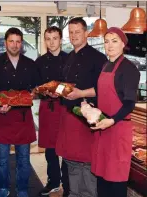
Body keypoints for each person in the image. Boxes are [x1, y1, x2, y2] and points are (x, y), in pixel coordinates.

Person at [55, 17, 107, 197]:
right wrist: (57, 91)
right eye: (71, 32)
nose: (74, 35)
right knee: (71, 161)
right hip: (68, 116)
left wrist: (81, 93)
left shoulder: (98, 58)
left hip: (86, 118)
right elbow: (65, 84)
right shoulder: (69, 56)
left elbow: (103, 88)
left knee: (87, 163)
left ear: (86, 33)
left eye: (78, 32)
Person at [0, 27, 40, 197]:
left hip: (23, 117)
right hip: (1, 115)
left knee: (23, 158)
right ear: (5, 43)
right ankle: (3, 188)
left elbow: (34, 88)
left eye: (18, 41)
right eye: (11, 41)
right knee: (2, 159)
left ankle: (22, 189)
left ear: (21, 43)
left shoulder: (30, 64)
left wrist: (33, 92)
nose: (15, 45)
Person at [90, 27, 140, 197]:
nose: (109, 45)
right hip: (102, 129)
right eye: (106, 41)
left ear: (123, 44)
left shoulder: (129, 68)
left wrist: (111, 120)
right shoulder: (106, 65)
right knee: (102, 178)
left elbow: (129, 103)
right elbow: (101, 95)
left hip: (117, 130)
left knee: (116, 181)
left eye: (114, 41)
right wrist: (89, 108)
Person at [35, 26, 69, 196]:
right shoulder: (39, 62)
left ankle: (68, 183)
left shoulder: (70, 59)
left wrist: (60, 90)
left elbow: (74, 83)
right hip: (47, 107)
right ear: (45, 41)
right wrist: (44, 90)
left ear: (61, 40)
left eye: (55, 38)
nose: (51, 42)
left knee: (67, 146)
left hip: (66, 107)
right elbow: (35, 86)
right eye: (48, 39)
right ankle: (54, 181)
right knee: (50, 148)